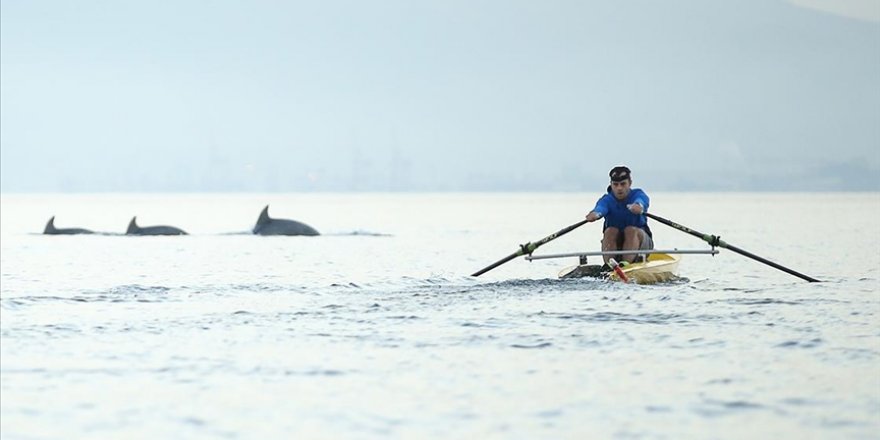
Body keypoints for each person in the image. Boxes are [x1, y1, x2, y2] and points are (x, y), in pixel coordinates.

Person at [584, 166, 654, 265]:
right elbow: (600, 208)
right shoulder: (607, 200)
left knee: (630, 230)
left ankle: (625, 265)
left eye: (623, 184)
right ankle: (610, 266)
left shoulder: (638, 194)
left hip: (641, 245)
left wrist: (639, 206)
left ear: (630, 183)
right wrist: (595, 214)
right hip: (616, 244)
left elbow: (642, 201)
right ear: (611, 185)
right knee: (610, 231)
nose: (619, 188)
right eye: (615, 184)